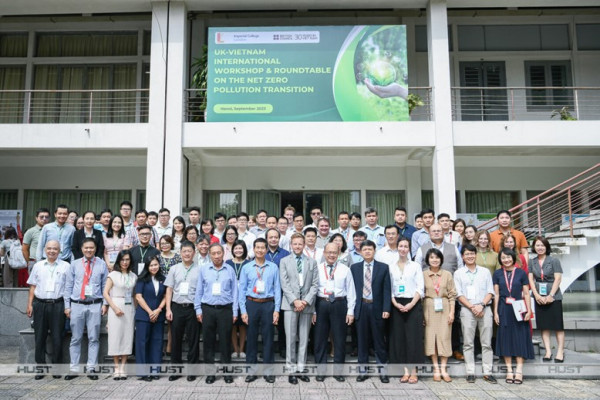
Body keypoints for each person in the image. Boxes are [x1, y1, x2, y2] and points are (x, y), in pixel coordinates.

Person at [63, 238, 109, 380]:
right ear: (82, 249)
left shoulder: (101, 264)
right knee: (75, 338)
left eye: (91, 248)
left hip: (95, 305)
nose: (89, 250)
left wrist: (105, 304)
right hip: (76, 305)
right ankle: (74, 369)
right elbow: (68, 286)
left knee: (93, 338)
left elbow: (105, 286)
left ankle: (91, 369)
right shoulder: (75, 264)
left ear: (95, 249)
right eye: (86, 248)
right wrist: (67, 306)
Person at [239, 238, 281, 383]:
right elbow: (242, 290)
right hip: (252, 304)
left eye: (263, 248)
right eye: (257, 247)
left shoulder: (273, 267)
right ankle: (251, 371)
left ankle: (269, 371)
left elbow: (277, 290)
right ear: (254, 249)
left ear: (266, 249)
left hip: (268, 305)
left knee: (268, 338)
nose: (260, 250)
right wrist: (243, 311)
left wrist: (276, 310)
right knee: (251, 338)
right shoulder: (247, 267)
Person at [194, 243, 238, 384]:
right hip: (208, 309)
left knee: (226, 342)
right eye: (214, 253)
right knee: (208, 342)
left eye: (219, 253)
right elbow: (199, 290)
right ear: (210, 255)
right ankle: (210, 373)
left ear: (223, 253)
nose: (217, 256)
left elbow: (235, 292)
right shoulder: (204, 270)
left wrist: (235, 311)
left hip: (225, 309)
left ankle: (227, 373)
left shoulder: (230, 269)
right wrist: (198, 309)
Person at [279, 233, 319, 384]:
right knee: (290, 338)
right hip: (290, 305)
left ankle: (301, 369)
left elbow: (315, 285)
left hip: (307, 306)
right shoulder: (284, 261)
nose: (297, 246)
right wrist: (295, 300)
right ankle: (291, 370)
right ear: (291, 245)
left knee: (304, 339)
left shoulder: (311, 262)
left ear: (304, 245)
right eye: (294, 244)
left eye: (300, 244)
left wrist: (306, 301)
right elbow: (284, 283)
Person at [313, 242, 356, 382]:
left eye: (334, 252)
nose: (331, 255)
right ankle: (321, 370)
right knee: (320, 338)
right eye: (329, 252)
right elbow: (312, 290)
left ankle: (338, 371)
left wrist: (350, 311)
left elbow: (351, 291)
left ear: (338, 254)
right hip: (321, 303)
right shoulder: (317, 268)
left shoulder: (345, 269)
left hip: (339, 303)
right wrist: (313, 310)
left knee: (339, 338)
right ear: (324, 253)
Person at [26, 240, 68, 379]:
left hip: (58, 305)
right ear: (45, 250)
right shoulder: (38, 266)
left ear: (59, 250)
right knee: (40, 337)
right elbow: (32, 286)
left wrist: (68, 307)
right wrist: (30, 304)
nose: (52, 251)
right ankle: (40, 368)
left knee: (57, 337)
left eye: (55, 249)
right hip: (40, 304)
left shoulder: (66, 266)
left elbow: (68, 289)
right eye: (49, 248)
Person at [454, 244, 496, 384]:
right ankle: (470, 372)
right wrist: (472, 307)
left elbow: (490, 291)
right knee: (468, 343)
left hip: (485, 308)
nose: (470, 256)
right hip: (467, 309)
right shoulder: (458, 273)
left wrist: (482, 305)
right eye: (467, 254)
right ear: (463, 256)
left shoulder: (484, 272)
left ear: (475, 255)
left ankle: (488, 372)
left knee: (487, 343)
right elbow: (458, 294)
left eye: (472, 253)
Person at [351, 240, 391, 383]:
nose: (367, 251)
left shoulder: (383, 268)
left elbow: (387, 290)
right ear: (360, 252)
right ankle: (363, 371)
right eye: (365, 249)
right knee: (362, 341)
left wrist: (386, 308)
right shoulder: (354, 268)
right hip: (361, 307)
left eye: (370, 249)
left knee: (379, 341)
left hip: (377, 308)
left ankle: (383, 371)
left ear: (374, 251)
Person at [493, 248, 534, 384]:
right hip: (504, 309)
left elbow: (527, 293)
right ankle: (509, 371)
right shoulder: (498, 273)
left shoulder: (521, 273)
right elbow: (497, 294)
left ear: (513, 258)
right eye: (503, 258)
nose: (506, 260)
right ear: (500, 259)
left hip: (519, 308)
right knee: (506, 339)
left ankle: (519, 371)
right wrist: (495, 313)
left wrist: (529, 311)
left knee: (520, 338)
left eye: (508, 257)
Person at [388, 237, 424, 384]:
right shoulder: (390, 266)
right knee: (399, 338)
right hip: (396, 304)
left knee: (413, 338)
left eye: (406, 246)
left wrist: (411, 304)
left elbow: (420, 288)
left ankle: (414, 371)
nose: (403, 249)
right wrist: (395, 304)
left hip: (413, 303)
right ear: (397, 248)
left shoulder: (415, 266)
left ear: (409, 249)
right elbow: (388, 289)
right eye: (400, 246)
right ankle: (405, 371)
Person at [165, 240, 201, 382]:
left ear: (194, 253)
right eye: (184, 251)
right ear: (180, 253)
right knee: (176, 340)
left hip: (192, 308)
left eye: (189, 251)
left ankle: (192, 371)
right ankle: (176, 370)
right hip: (177, 307)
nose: (187, 254)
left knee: (193, 340)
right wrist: (168, 309)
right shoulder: (174, 269)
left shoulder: (200, 269)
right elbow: (169, 289)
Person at [528, 236, 565, 363]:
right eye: (537, 245)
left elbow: (558, 279)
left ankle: (560, 351)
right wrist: (536, 295)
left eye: (542, 245)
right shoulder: (532, 261)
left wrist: (551, 296)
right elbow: (531, 279)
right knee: (544, 326)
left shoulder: (554, 260)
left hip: (553, 296)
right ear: (534, 247)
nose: (540, 248)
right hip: (539, 295)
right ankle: (548, 351)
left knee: (558, 326)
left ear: (546, 247)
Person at [423, 248, 457, 383]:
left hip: (445, 308)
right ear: (428, 260)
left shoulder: (447, 274)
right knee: (431, 338)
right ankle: (436, 368)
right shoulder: (423, 274)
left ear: (441, 259)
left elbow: (452, 294)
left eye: (437, 258)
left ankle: (444, 369)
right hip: (429, 308)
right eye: (431, 258)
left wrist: (452, 312)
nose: (434, 260)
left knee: (444, 337)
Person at [103, 249, 137, 380]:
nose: (125, 262)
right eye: (122, 260)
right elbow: (106, 293)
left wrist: (136, 310)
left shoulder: (133, 276)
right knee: (115, 337)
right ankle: (116, 367)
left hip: (129, 307)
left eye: (127, 260)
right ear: (118, 260)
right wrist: (114, 308)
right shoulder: (113, 275)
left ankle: (123, 367)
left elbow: (134, 295)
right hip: (116, 305)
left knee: (127, 337)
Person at [135, 256, 167, 381]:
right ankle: (143, 373)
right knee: (142, 343)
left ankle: (155, 371)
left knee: (157, 343)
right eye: (151, 265)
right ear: (147, 267)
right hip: (144, 316)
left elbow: (166, 295)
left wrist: (158, 310)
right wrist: (150, 312)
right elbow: (138, 297)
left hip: (158, 315)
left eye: (156, 265)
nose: (154, 267)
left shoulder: (163, 279)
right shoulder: (142, 279)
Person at [227, 240, 251, 359]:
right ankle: (235, 349)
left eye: (240, 248)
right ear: (233, 250)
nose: (238, 250)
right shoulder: (227, 263)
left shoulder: (249, 263)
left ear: (244, 249)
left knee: (242, 325)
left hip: (244, 298)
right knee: (232, 324)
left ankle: (242, 350)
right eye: (236, 248)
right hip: (230, 298)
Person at [22, 208, 51, 273]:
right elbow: (24, 249)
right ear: (36, 218)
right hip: (34, 261)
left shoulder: (51, 231)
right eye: (41, 217)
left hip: (49, 261)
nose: (44, 219)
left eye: (46, 217)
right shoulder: (30, 231)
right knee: (34, 283)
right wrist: (28, 262)